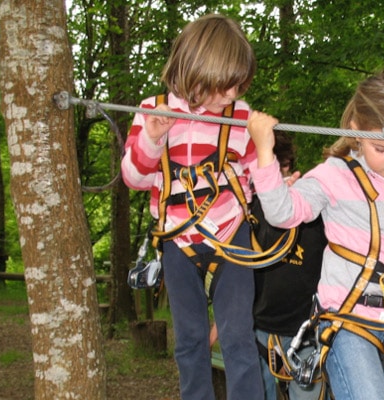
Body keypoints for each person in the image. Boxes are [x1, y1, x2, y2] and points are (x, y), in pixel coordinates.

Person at [246, 68, 384, 400]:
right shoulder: (335, 175)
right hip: (349, 323)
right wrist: (264, 152)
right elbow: (282, 213)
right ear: (356, 131)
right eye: (382, 150)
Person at [121, 14, 264, 400]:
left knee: (237, 337)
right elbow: (134, 178)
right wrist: (151, 140)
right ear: (198, 70)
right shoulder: (154, 109)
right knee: (190, 341)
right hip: (176, 239)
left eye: (239, 85)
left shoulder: (241, 117)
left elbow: (259, 173)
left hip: (231, 233)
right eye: (227, 85)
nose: (233, 94)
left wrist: (280, 186)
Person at [251, 131, 328, 400]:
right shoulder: (250, 210)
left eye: (279, 165)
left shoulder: (313, 207)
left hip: (306, 329)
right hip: (260, 328)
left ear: (287, 165)